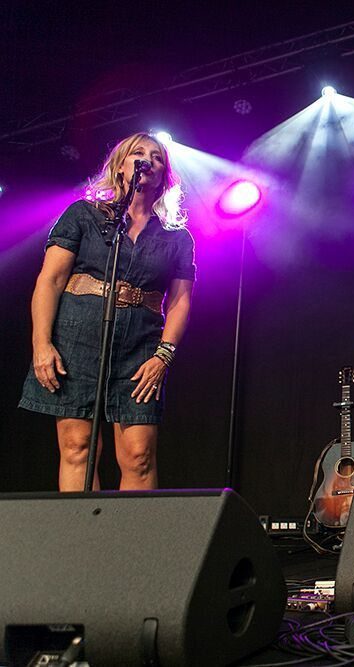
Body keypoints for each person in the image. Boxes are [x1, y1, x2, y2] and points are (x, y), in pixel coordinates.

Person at [19, 132, 195, 491]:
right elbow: (50, 281)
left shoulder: (177, 238)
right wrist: (42, 344)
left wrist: (164, 355)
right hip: (77, 339)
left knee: (138, 455)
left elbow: (180, 301)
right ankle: (84, 543)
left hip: (140, 348)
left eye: (156, 157)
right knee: (77, 449)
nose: (147, 160)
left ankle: (134, 545)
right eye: (138, 153)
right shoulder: (83, 216)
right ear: (120, 165)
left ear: (164, 174)